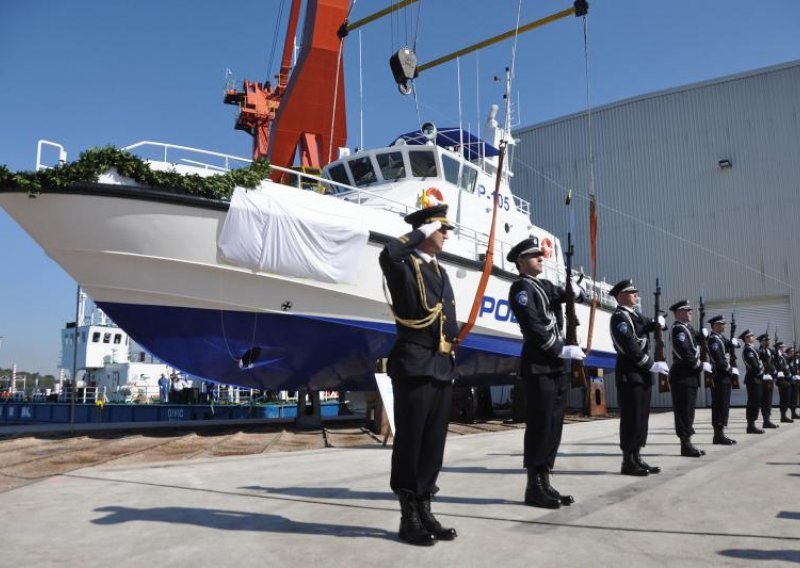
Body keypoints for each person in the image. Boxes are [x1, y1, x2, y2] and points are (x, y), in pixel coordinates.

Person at [379, 203, 458, 546]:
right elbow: (388, 254)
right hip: (414, 363)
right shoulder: (405, 265)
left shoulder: (441, 271)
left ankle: (425, 507)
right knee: (411, 442)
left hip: (440, 366)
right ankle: (408, 515)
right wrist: (418, 233)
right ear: (425, 230)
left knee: (433, 444)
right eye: (441, 228)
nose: (445, 234)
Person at [507, 237, 585, 509]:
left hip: (556, 365)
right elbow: (533, 326)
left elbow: (570, 295)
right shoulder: (520, 288)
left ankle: (545, 481)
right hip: (539, 364)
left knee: (554, 425)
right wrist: (560, 349)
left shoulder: (545, 286)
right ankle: (533, 487)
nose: (541, 258)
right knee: (540, 425)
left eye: (541, 255)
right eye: (533, 256)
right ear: (520, 261)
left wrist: (578, 287)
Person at [609, 279, 669, 476]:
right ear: (621, 295)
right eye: (632, 292)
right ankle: (628, 461)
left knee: (642, 418)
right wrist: (651, 364)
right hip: (630, 374)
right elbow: (629, 346)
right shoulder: (619, 318)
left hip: (641, 374)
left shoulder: (635, 316)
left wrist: (660, 323)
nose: (636, 295)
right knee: (631, 418)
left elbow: (647, 326)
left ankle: (637, 456)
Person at [667, 300, 706, 457]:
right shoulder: (678, 330)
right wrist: (698, 364)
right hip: (682, 374)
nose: (691, 312)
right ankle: (685, 444)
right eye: (687, 310)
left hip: (689, 375)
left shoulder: (688, 329)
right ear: (678, 312)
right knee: (683, 411)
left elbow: (699, 342)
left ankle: (688, 442)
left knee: (689, 411)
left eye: (691, 310)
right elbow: (684, 351)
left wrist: (704, 334)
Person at [706, 315, 738, 444]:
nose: (725, 326)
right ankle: (718, 435)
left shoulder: (721, 338)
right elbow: (718, 358)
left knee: (724, 404)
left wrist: (733, 342)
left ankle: (720, 433)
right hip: (719, 375)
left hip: (724, 376)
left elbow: (728, 347)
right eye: (722, 324)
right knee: (719, 404)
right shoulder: (713, 340)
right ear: (715, 325)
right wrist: (729, 369)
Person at [740, 330, 765, 434]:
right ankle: (750, 425)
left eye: (752, 335)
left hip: (757, 378)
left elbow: (761, 360)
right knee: (753, 402)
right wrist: (761, 371)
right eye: (750, 336)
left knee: (757, 401)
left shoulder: (753, 348)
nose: (752, 337)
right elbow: (754, 365)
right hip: (753, 378)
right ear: (746, 338)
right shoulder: (748, 350)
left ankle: (752, 424)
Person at [757, 334, 779, 429]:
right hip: (763, 378)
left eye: (769, 340)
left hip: (769, 378)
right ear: (762, 342)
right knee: (765, 400)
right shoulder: (760, 351)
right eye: (766, 341)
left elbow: (775, 356)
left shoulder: (769, 351)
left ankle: (767, 420)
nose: (768, 342)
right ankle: (766, 420)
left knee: (769, 400)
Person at [774, 342, 793, 423]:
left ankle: (784, 415)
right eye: (782, 347)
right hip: (782, 380)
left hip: (786, 379)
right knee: (784, 398)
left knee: (786, 398)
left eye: (784, 347)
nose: (784, 348)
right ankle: (783, 416)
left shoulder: (783, 357)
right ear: (778, 348)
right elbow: (777, 366)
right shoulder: (778, 357)